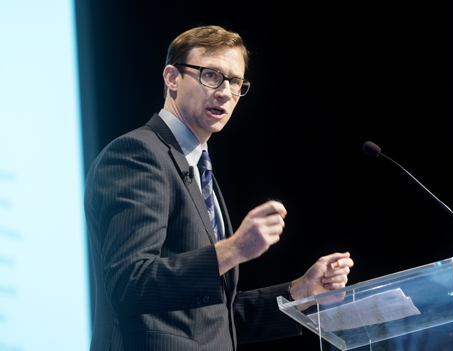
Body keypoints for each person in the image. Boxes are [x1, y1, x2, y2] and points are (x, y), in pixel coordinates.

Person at [84, 25, 354, 351]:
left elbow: (215, 318)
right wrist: (233, 249)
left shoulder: (199, 169)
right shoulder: (138, 154)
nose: (225, 92)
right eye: (211, 75)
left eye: (236, 82)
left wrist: (300, 292)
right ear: (172, 78)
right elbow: (130, 284)